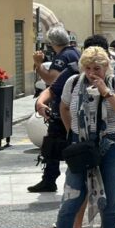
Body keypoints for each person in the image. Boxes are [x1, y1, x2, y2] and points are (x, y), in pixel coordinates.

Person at [40, 46, 115, 228]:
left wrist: (106, 92)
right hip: (81, 145)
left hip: (111, 144)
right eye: (87, 68)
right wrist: (73, 133)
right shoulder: (73, 83)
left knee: (111, 198)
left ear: (106, 67)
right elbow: (64, 107)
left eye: (97, 68)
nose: (91, 73)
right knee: (71, 197)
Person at [29, 25, 80, 193]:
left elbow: (52, 80)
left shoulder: (62, 57)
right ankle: (53, 178)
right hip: (74, 107)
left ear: (52, 42)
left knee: (52, 144)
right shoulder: (75, 52)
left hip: (62, 108)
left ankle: (50, 180)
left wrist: (38, 64)